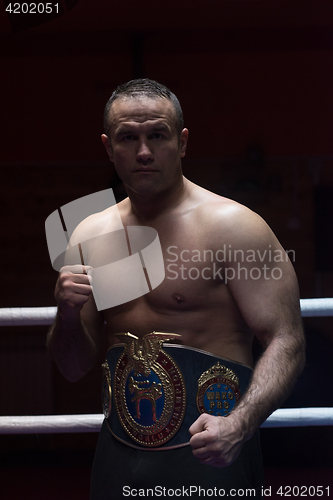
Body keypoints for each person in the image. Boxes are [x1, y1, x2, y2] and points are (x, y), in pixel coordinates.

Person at [47, 79, 305, 499]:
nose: (143, 151)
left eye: (157, 135)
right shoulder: (89, 234)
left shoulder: (234, 227)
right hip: (119, 454)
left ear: (182, 142)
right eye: (128, 138)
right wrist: (67, 314)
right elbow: (73, 366)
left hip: (212, 451)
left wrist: (239, 424)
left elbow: (287, 340)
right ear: (109, 147)